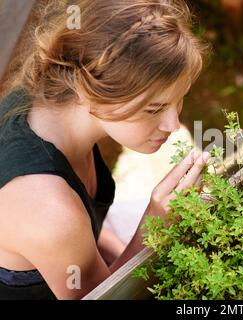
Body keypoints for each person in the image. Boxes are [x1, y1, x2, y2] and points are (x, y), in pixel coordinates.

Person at [0, 0, 209, 300]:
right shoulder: (48, 207)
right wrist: (156, 227)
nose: (173, 124)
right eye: (154, 109)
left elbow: (82, 241)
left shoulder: (54, 99)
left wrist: (114, 250)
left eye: (179, 99)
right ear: (91, 92)